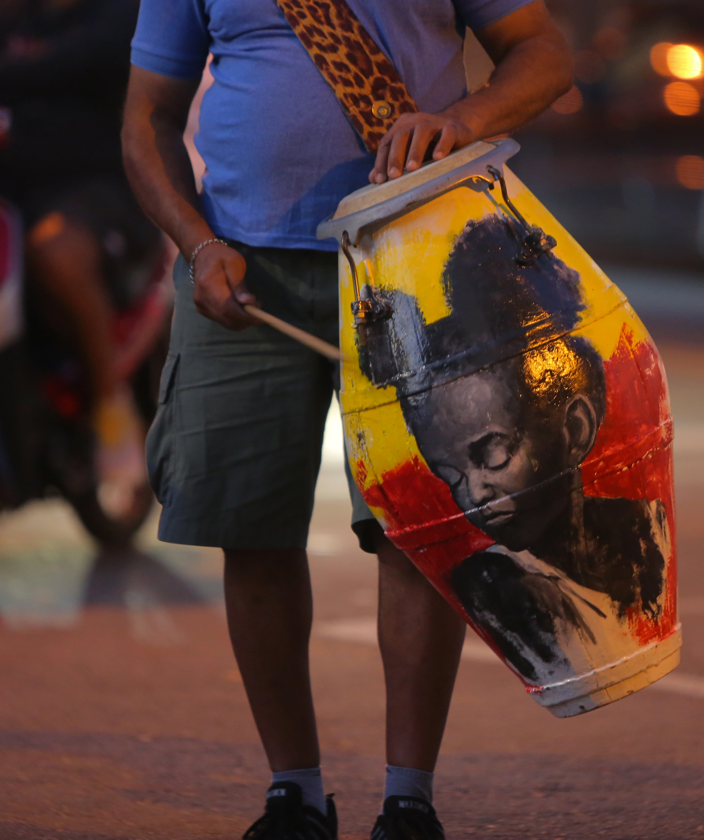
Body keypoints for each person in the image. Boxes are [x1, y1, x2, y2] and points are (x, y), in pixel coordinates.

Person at [121, 1, 572, 837]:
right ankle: (293, 794)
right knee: (250, 532)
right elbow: (145, 116)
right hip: (240, 270)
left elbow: (543, 52)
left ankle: (410, 802)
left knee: (418, 533)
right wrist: (195, 244)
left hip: (416, 256)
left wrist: (460, 120)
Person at [357, 215, 668, 686]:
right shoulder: (494, 586)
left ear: (575, 429)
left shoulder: (645, 527)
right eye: (451, 475)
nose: (474, 493)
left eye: (493, 455)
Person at [0, 0, 159, 513]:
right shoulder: (2, 24)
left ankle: (109, 405)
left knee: (53, 254)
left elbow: (82, 59)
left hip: (94, 189)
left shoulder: (117, 16)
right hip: (3, 193)